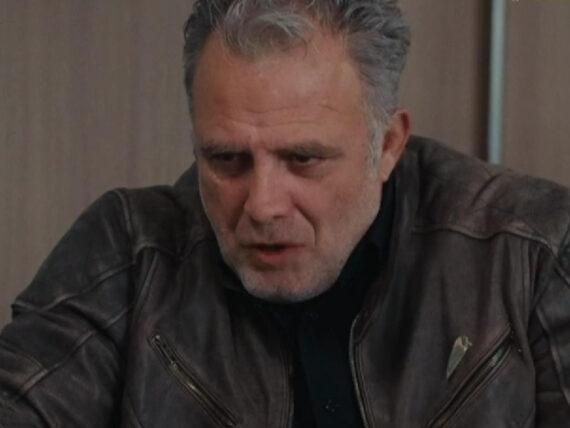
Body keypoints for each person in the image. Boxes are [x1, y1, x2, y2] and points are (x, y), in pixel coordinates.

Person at [1, 0, 569, 426]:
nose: (263, 205)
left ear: (388, 145)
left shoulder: (533, 250)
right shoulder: (130, 251)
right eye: (227, 159)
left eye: (303, 159)